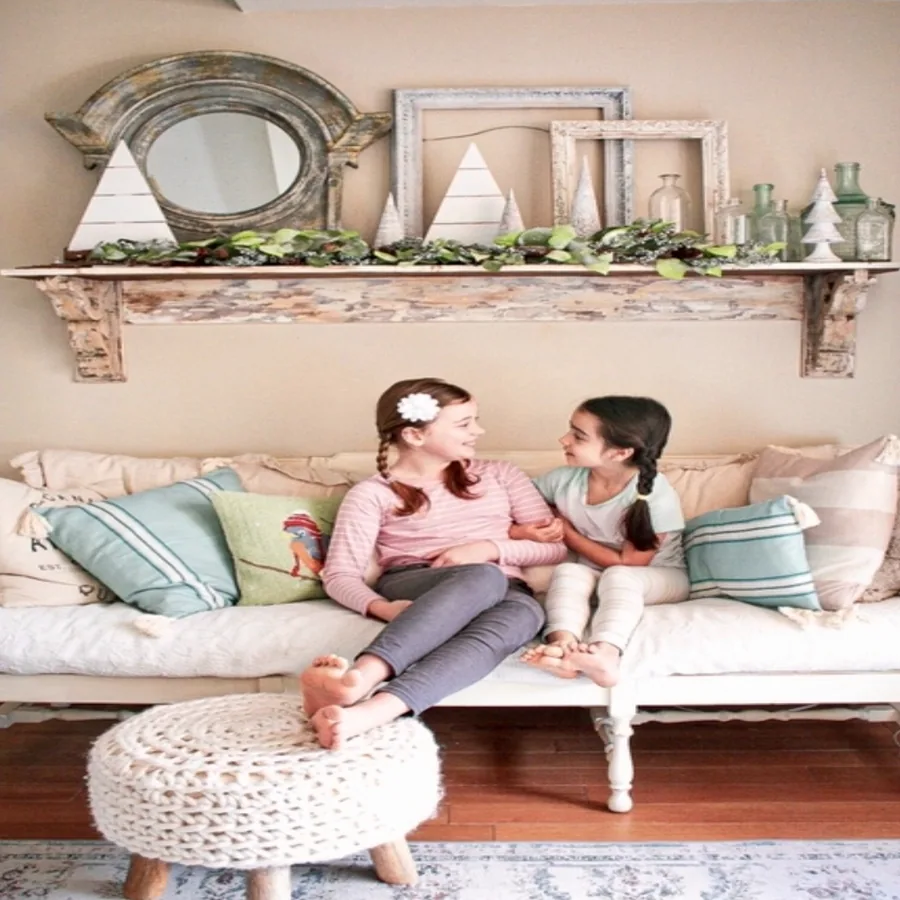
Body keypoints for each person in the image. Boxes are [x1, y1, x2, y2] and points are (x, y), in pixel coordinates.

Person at [300, 377, 567, 749]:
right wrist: (383, 607)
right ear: (414, 435)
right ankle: (362, 676)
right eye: (464, 424)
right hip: (415, 581)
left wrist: (487, 548)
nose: (479, 431)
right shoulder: (372, 495)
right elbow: (341, 575)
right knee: (483, 579)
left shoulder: (502, 475)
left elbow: (553, 549)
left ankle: (369, 713)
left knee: (525, 615)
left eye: (475, 420)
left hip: (505, 586)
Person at [516, 396, 689, 687]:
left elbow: (631, 563)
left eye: (578, 436)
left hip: (660, 577)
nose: (564, 439)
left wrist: (567, 531)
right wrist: (525, 531)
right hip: (599, 574)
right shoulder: (564, 480)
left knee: (620, 576)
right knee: (568, 572)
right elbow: (514, 509)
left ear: (619, 452)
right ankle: (563, 648)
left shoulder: (654, 494)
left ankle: (605, 654)